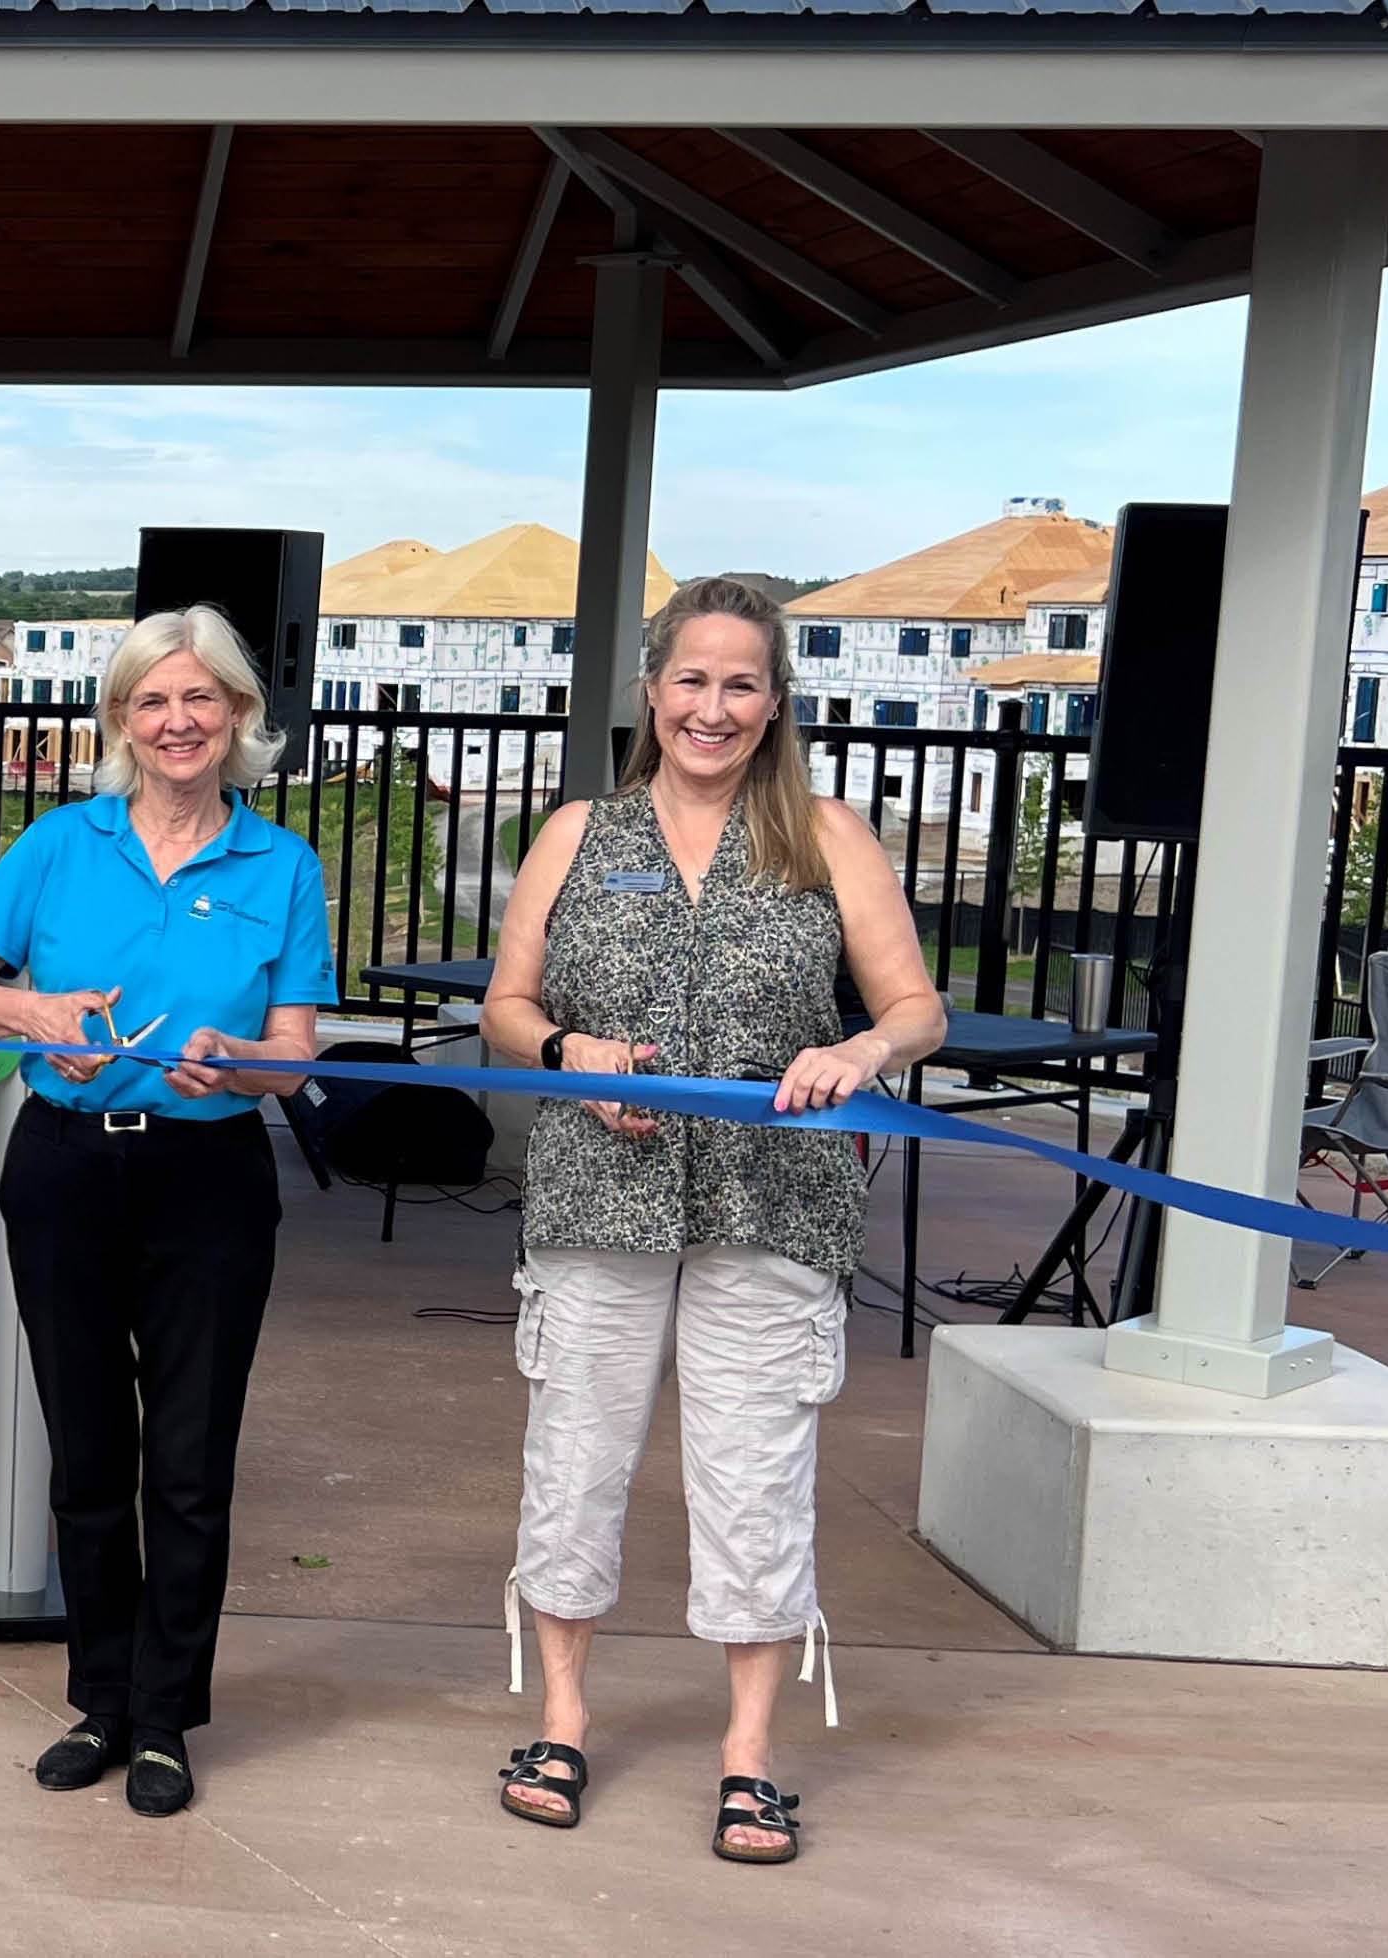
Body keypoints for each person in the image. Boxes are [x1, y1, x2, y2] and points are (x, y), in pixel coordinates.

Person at [477, 576, 943, 1866]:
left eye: (741, 684)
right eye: (692, 679)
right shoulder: (579, 832)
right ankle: (562, 1720)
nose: (713, 706)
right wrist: (573, 1048)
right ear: (652, 690)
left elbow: (915, 1008)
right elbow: (505, 1009)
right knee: (573, 1463)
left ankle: (748, 1754)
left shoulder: (825, 835)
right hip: (596, 1198)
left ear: (774, 703)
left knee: (752, 1481)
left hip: (768, 1203)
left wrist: (857, 1050)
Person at [0, 606, 335, 1819]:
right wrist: (34, 1011)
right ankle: (98, 1699)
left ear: (240, 717)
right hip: (61, 1165)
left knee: (190, 1464)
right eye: (152, 701)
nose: (177, 721)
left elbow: (294, 1053)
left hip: (206, 1181)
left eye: (201, 699)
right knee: (88, 1456)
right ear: (119, 721)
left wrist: (237, 1061)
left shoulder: (282, 866)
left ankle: (164, 1718)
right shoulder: (57, 843)